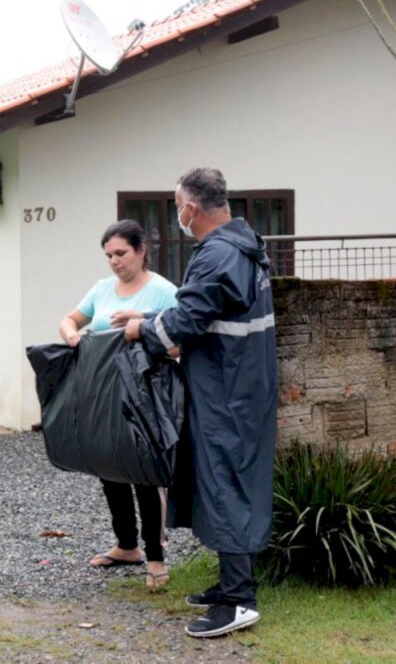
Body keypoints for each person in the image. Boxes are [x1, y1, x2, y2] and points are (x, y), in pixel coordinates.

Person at [125, 168, 277, 638]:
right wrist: (151, 315)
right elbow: (208, 310)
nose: (176, 215)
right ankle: (231, 583)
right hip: (242, 384)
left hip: (226, 391)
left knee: (226, 483)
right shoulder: (244, 242)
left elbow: (187, 319)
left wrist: (142, 330)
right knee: (223, 482)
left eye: (176, 206)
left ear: (190, 208)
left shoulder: (218, 254)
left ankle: (238, 601)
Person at [58, 219, 178, 589]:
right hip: (103, 392)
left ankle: (155, 558)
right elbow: (68, 320)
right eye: (109, 255)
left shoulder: (163, 292)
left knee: (145, 471)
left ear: (142, 250)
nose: (114, 261)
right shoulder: (101, 289)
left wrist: (140, 324)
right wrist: (73, 335)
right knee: (109, 468)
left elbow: (179, 343)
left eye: (121, 253)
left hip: (144, 396)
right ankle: (127, 546)